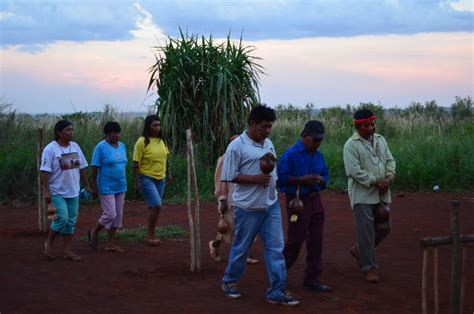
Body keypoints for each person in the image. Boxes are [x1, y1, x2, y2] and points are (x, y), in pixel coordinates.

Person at [220, 105, 299, 307]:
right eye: (264, 127)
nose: (267, 131)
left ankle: (276, 290)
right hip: (248, 208)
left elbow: (272, 170)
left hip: (270, 205)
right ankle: (229, 281)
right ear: (252, 124)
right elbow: (229, 175)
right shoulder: (237, 146)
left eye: (270, 127)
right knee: (242, 247)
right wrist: (255, 179)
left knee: (276, 248)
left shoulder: (268, 143)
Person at [277, 120, 332, 292]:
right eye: (315, 139)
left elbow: (325, 175)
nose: (317, 143)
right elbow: (280, 180)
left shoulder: (318, 155)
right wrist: (301, 180)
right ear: (304, 135)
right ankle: (277, 274)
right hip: (297, 201)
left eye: (320, 140)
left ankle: (312, 278)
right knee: (295, 239)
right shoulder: (291, 154)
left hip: (316, 201)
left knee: (316, 241)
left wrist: (321, 180)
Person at [343, 109, 396, 283]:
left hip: (382, 191)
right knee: (365, 231)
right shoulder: (351, 145)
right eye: (367, 126)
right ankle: (370, 268)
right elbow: (354, 171)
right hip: (363, 195)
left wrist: (389, 177)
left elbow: (390, 160)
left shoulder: (381, 140)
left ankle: (360, 250)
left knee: (385, 227)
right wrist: (375, 181)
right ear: (358, 126)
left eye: (372, 124)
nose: (371, 128)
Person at [41, 120, 91, 261]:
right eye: (68, 130)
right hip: (56, 191)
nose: (71, 133)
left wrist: (86, 184)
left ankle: (67, 251)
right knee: (61, 219)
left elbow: (81, 167)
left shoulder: (75, 147)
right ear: (59, 132)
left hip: (73, 191)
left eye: (72, 130)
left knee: (71, 222)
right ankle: (49, 241)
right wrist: (46, 191)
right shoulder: (50, 149)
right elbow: (45, 171)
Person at [209, 135, 259, 264]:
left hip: (246, 198)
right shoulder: (224, 159)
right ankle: (214, 245)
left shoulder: (246, 158)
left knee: (246, 227)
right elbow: (220, 181)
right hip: (230, 199)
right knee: (228, 229)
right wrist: (222, 200)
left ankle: (245, 255)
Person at [133, 115, 172, 247]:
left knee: (153, 206)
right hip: (146, 177)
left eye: (158, 125)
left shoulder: (162, 141)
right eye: (154, 125)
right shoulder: (142, 141)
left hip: (161, 178)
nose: (157, 127)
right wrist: (137, 182)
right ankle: (150, 236)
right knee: (157, 205)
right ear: (148, 126)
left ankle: (150, 233)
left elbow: (165, 158)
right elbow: (135, 164)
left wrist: (168, 173)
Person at [88, 122, 127, 253]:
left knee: (118, 216)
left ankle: (110, 243)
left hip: (121, 185)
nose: (116, 135)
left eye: (118, 132)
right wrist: (94, 187)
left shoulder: (122, 146)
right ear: (107, 134)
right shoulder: (100, 147)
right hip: (106, 185)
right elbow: (94, 167)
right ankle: (95, 231)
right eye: (113, 133)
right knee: (110, 213)